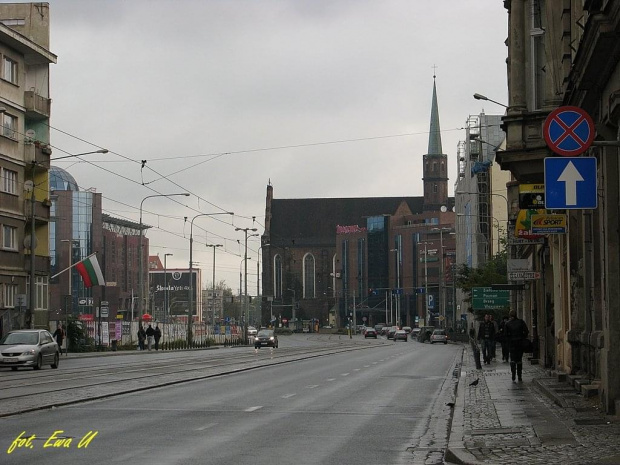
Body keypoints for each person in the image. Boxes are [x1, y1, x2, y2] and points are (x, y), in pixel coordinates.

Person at [505, 310, 529, 382]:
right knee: (519, 360)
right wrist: (523, 337)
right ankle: (519, 375)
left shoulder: (507, 324)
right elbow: (526, 331)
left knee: (512, 360)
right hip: (520, 343)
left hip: (512, 344)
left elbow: (506, 335)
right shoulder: (521, 322)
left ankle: (513, 374)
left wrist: (509, 341)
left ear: (510, 315)